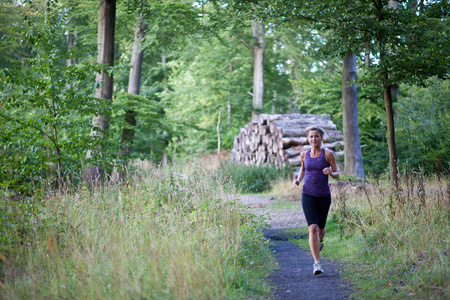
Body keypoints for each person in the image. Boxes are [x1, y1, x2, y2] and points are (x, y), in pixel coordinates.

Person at [293, 126, 339, 275]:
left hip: (324, 196)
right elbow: (303, 169)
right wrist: (298, 180)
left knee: (321, 230)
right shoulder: (304, 154)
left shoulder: (328, 154)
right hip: (308, 195)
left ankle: (320, 240)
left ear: (321, 138)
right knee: (312, 228)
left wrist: (331, 173)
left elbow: (337, 173)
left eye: (316, 136)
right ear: (308, 139)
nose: (314, 139)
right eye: (311, 136)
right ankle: (317, 263)